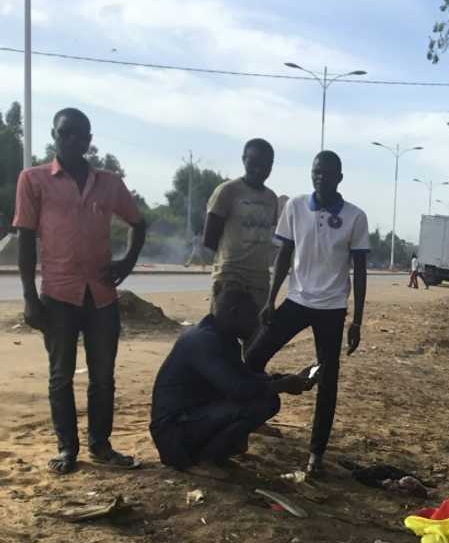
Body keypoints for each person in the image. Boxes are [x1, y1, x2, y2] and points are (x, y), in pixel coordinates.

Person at [14, 107, 148, 475]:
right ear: (54, 136)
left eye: (79, 134)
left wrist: (127, 261)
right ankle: (67, 449)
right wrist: (28, 296)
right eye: (64, 133)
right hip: (57, 295)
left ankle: (101, 445)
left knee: (103, 375)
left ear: (89, 140)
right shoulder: (33, 179)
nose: (72, 139)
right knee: (61, 375)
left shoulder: (109, 182)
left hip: (102, 296)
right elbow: (25, 238)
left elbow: (139, 222)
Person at [246, 151, 370, 477]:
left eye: (328, 174)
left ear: (339, 178)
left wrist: (356, 320)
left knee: (328, 381)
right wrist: (271, 299)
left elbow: (360, 271)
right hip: (297, 301)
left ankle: (316, 453)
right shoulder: (296, 207)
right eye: (316, 172)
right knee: (253, 357)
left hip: (331, 308)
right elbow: (285, 254)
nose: (321, 178)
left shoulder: (356, 218)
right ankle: (251, 418)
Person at [150, 286, 314, 470]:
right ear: (234, 313)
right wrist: (282, 385)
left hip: (187, 420)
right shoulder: (205, 341)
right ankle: (204, 459)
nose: (256, 324)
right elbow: (239, 389)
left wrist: (284, 379)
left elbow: (245, 377)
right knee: (260, 404)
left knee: (266, 399)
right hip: (174, 433)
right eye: (252, 317)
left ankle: (212, 452)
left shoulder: (221, 337)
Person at [202, 138, 278, 341]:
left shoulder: (272, 199)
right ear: (244, 160)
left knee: (254, 344)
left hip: (259, 282)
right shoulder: (227, 191)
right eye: (253, 163)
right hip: (230, 278)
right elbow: (209, 237)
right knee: (222, 341)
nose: (259, 169)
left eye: (265, 164)